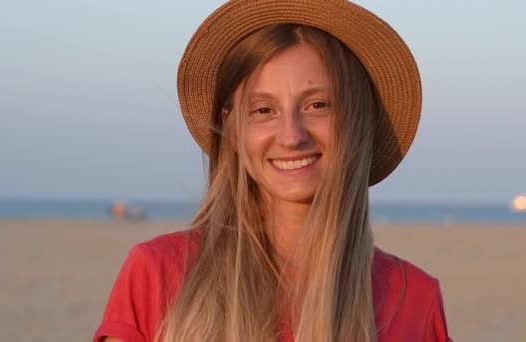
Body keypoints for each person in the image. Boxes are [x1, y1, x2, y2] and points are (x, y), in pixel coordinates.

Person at [95, 0, 451, 341]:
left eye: (317, 105)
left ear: (358, 123)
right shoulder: (158, 273)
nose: (292, 136)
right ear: (232, 128)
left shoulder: (415, 299)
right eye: (263, 110)